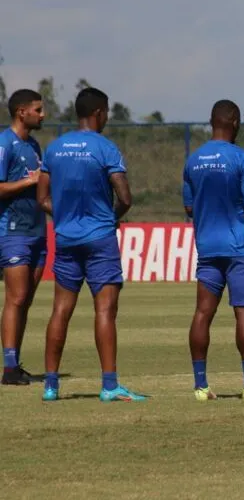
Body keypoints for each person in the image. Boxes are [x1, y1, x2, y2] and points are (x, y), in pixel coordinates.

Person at [37, 87, 145, 402]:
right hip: (100, 239)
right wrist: (110, 218)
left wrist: (66, 215)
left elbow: (42, 197)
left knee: (60, 310)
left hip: (67, 238)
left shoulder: (55, 149)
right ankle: (110, 385)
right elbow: (125, 198)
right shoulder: (107, 148)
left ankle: (51, 385)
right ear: (98, 112)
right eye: (107, 112)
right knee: (105, 310)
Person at [184, 99, 244, 401]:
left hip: (208, 247)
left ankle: (201, 387)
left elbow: (189, 206)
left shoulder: (193, 160)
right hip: (240, 246)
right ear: (235, 122)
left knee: (202, 313)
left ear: (212, 122)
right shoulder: (242, 158)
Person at [0, 89, 47, 385]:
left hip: (38, 232)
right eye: (38, 110)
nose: (42, 115)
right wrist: (28, 181)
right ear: (21, 112)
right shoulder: (5, 144)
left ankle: (15, 363)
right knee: (15, 298)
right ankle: (8, 369)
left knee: (26, 299)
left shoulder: (35, 145)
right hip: (13, 231)